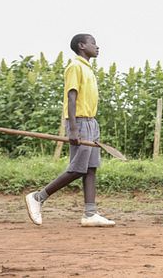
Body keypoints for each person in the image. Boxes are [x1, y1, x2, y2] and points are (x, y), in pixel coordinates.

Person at [24, 34, 115, 227]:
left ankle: (90, 214)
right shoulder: (75, 67)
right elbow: (71, 97)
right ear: (82, 46)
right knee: (77, 168)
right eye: (93, 43)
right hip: (79, 122)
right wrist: (73, 128)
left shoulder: (88, 69)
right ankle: (38, 197)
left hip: (91, 122)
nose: (97, 47)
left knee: (90, 169)